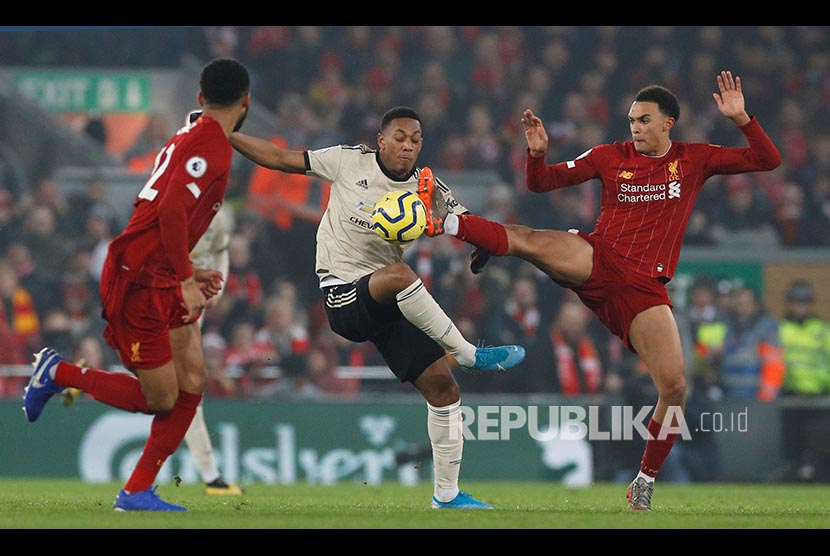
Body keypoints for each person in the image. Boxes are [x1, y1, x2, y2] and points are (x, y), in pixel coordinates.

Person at [418, 71, 781, 510]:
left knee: (675, 387)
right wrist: (537, 156)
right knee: (530, 238)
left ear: (669, 122)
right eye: (631, 120)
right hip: (600, 259)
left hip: (644, 289)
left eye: (644, 120)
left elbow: (767, 159)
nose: (635, 128)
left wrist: (742, 119)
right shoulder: (611, 156)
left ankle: (643, 481)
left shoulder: (694, 158)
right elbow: (542, 183)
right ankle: (449, 221)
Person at [229, 105, 525, 509]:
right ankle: (469, 353)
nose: (408, 146)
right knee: (401, 273)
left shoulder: (427, 186)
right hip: (342, 292)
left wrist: (483, 247)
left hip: (388, 300)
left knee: (443, 388)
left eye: (415, 140)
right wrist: (225, 135)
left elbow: (466, 221)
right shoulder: (348, 161)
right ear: (381, 140)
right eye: (400, 138)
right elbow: (282, 158)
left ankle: (447, 496)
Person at [22, 57, 251, 512]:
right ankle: (59, 372)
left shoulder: (193, 135)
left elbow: (167, 210)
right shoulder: (213, 145)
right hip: (140, 276)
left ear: (202, 98)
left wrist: (183, 266)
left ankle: (136, 491)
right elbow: (168, 211)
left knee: (192, 381)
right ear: (246, 101)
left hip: (158, 269)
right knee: (161, 398)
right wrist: (186, 278)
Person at [182, 201, 244, 495]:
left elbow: (220, 252)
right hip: (166, 301)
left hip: (193, 307)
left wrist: (218, 283)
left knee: (182, 389)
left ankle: (210, 475)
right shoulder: (170, 204)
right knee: (178, 390)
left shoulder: (219, 213)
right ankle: (72, 377)